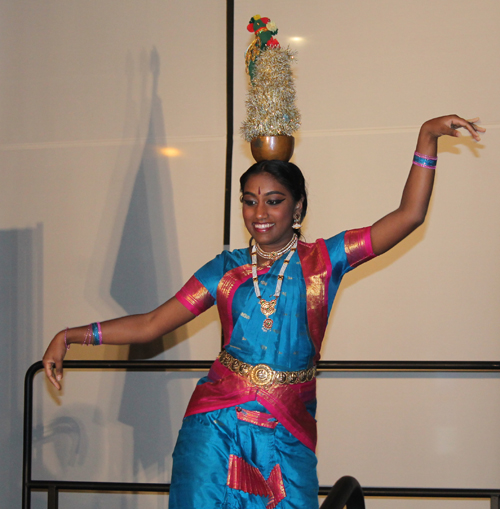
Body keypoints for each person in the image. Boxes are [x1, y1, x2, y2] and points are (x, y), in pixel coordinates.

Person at [43, 115, 484, 508]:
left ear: (298, 207)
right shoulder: (226, 269)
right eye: (249, 200)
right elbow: (152, 324)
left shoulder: (325, 259)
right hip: (214, 422)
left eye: (274, 200)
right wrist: (71, 335)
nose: (260, 212)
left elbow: (409, 216)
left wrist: (427, 139)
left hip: (288, 424)